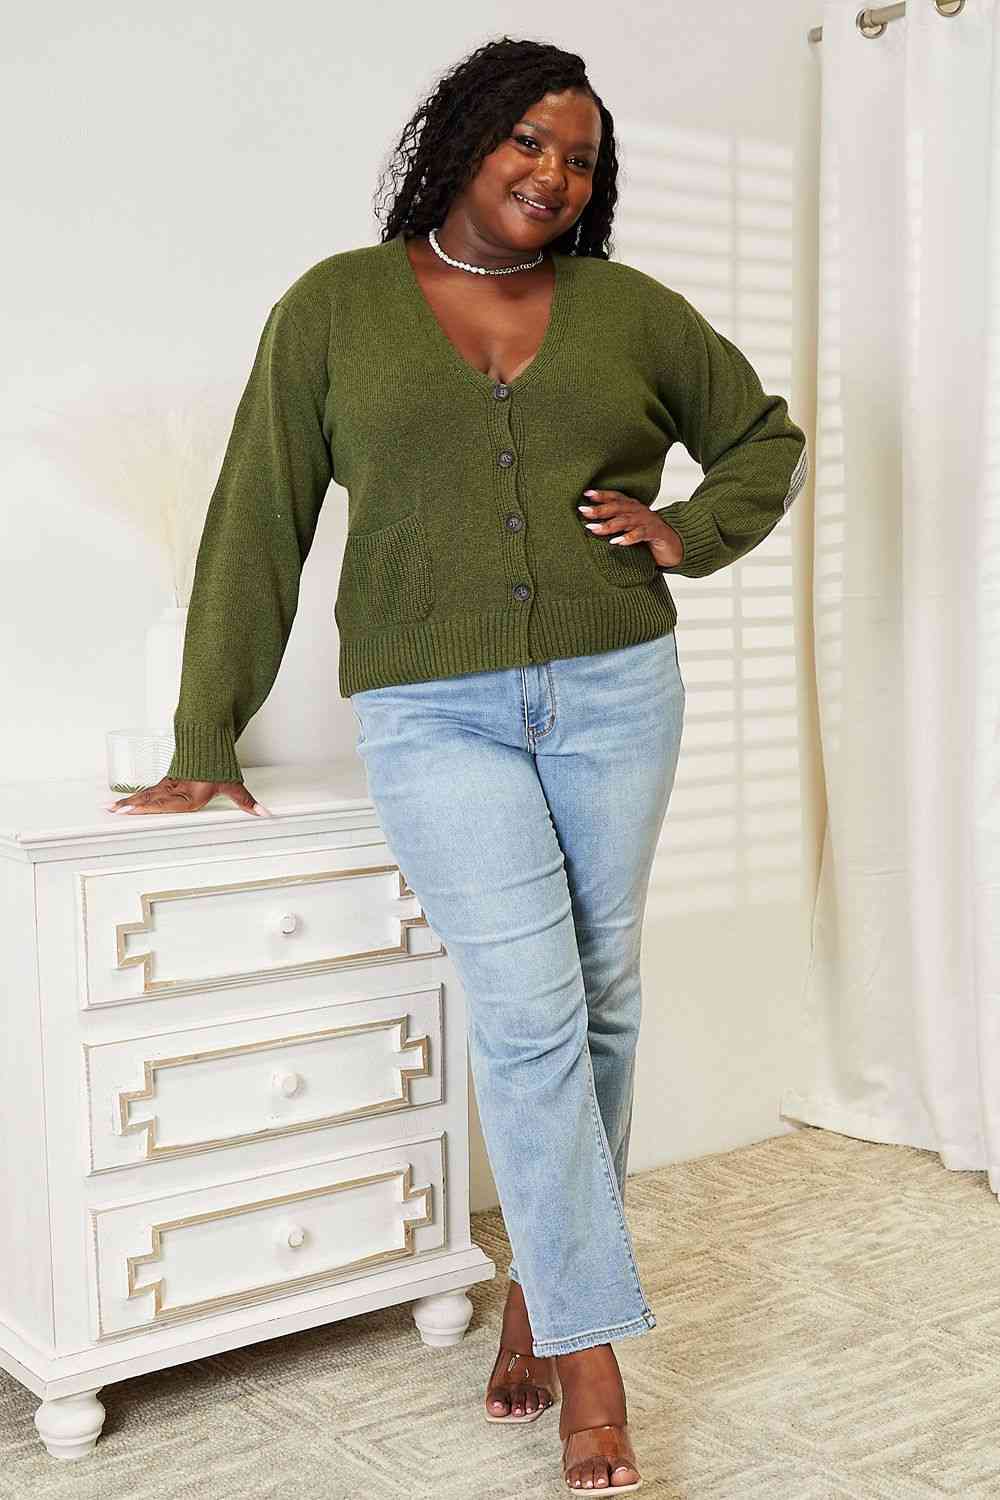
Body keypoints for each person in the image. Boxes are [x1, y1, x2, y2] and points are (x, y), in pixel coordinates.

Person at [105, 36, 808, 1493]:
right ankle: (594, 1362)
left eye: (582, 160)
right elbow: (259, 515)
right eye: (530, 142)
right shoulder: (336, 307)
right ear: (465, 137)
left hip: (617, 689)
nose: (555, 175)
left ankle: (547, 1292)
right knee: (532, 1015)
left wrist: (686, 531)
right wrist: (203, 732)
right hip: (433, 714)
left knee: (600, 999)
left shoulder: (626, 311)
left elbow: (763, 438)